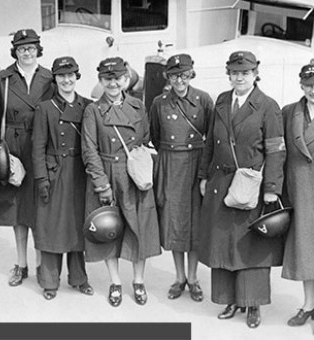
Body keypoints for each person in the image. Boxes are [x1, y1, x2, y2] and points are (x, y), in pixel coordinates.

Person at [198, 50, 286, 328]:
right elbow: (210, 142)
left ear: (255, 73)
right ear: (229, 74)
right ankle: (229, 299)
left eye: (245, 72)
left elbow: (276, 150)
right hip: (220, 184)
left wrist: (271, 187)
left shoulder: (267, 106)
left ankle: (253, 304)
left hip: (250, 185)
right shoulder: (222, 101)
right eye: (235, 72)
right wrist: (203, 175)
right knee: (223, 243)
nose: (239, 77)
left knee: (250, 246)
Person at [81, 57, 160, 307]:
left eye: (117, 78)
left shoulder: (138, 106)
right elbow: (89, 149)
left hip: (133, 175)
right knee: (108, 229)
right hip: (106, 173)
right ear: (101, 81)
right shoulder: (93, 110)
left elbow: (145, 138)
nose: (113, 83)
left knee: (140, 228)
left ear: (125, 80)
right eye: (107, 79)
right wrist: (101, 183)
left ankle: (138, 281)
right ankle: (115, 282)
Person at [0, 29, 54, 286]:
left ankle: (40, 265)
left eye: (30, 48)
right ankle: (21, 264)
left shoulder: (50, 77)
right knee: (17, 208)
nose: (26, 53)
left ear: (38, 49)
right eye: (21, 48)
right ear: (14, 51)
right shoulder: (3, 79)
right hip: (13, 147)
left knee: (39, 206)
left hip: (41, 146)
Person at [149, 53, 213, 302]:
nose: (180, 80)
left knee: (194, 223)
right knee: (174, 221)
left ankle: (194, 278)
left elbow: (211, 136)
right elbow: (155, 135)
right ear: (169, 77)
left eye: (184, 75)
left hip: (196, 164)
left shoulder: (203, 100)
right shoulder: (159, 103)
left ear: (191, 74)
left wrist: (204, 172)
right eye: (175, 75)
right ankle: (179, 277)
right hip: (171, 165)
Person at [32, 56, 94, 300]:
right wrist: (41, 179)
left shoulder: (88, 106)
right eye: (61, 76)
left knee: (78, 225)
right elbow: (37, 147)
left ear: (76, 77)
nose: (66, 80)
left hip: (80, 172)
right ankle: (49, 281)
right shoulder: (45, 108)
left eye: (70, 75)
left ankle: (79, 278)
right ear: (55, 79)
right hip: (54, 171)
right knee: (51, 227)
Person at [282, 62, 314, 337]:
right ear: (301, 86)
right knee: (304, 247)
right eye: (309, 85)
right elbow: (280, 152)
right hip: (300, 188)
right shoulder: (289, 112)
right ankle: (308, 304)